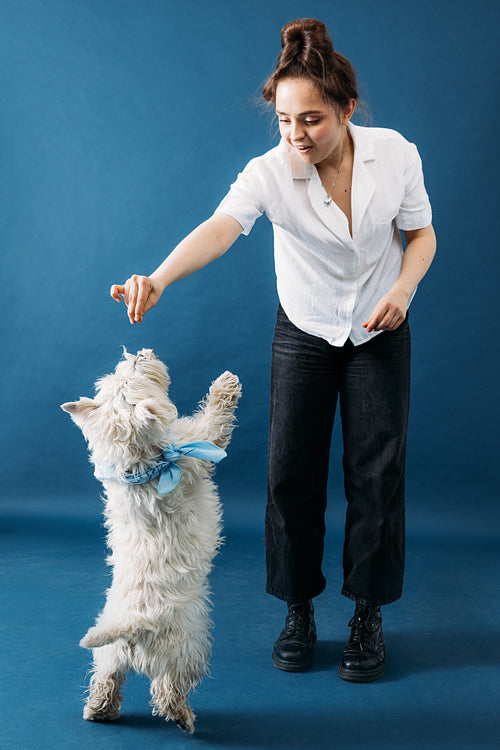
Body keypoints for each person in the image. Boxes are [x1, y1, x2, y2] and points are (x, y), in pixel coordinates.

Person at [110, 18, 436, 683]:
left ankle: (367, 613)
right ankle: (299, 609)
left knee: (378, 474)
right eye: (285, 120)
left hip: (379, 326)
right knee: (291, 472)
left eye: (312, 119)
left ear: (347, 110)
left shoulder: (396, 154)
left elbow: (422, 236)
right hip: (305, 329)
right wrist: (160, 278)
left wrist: (403, 289)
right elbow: (221, 228)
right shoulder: (270, 172)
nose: (296, 135)